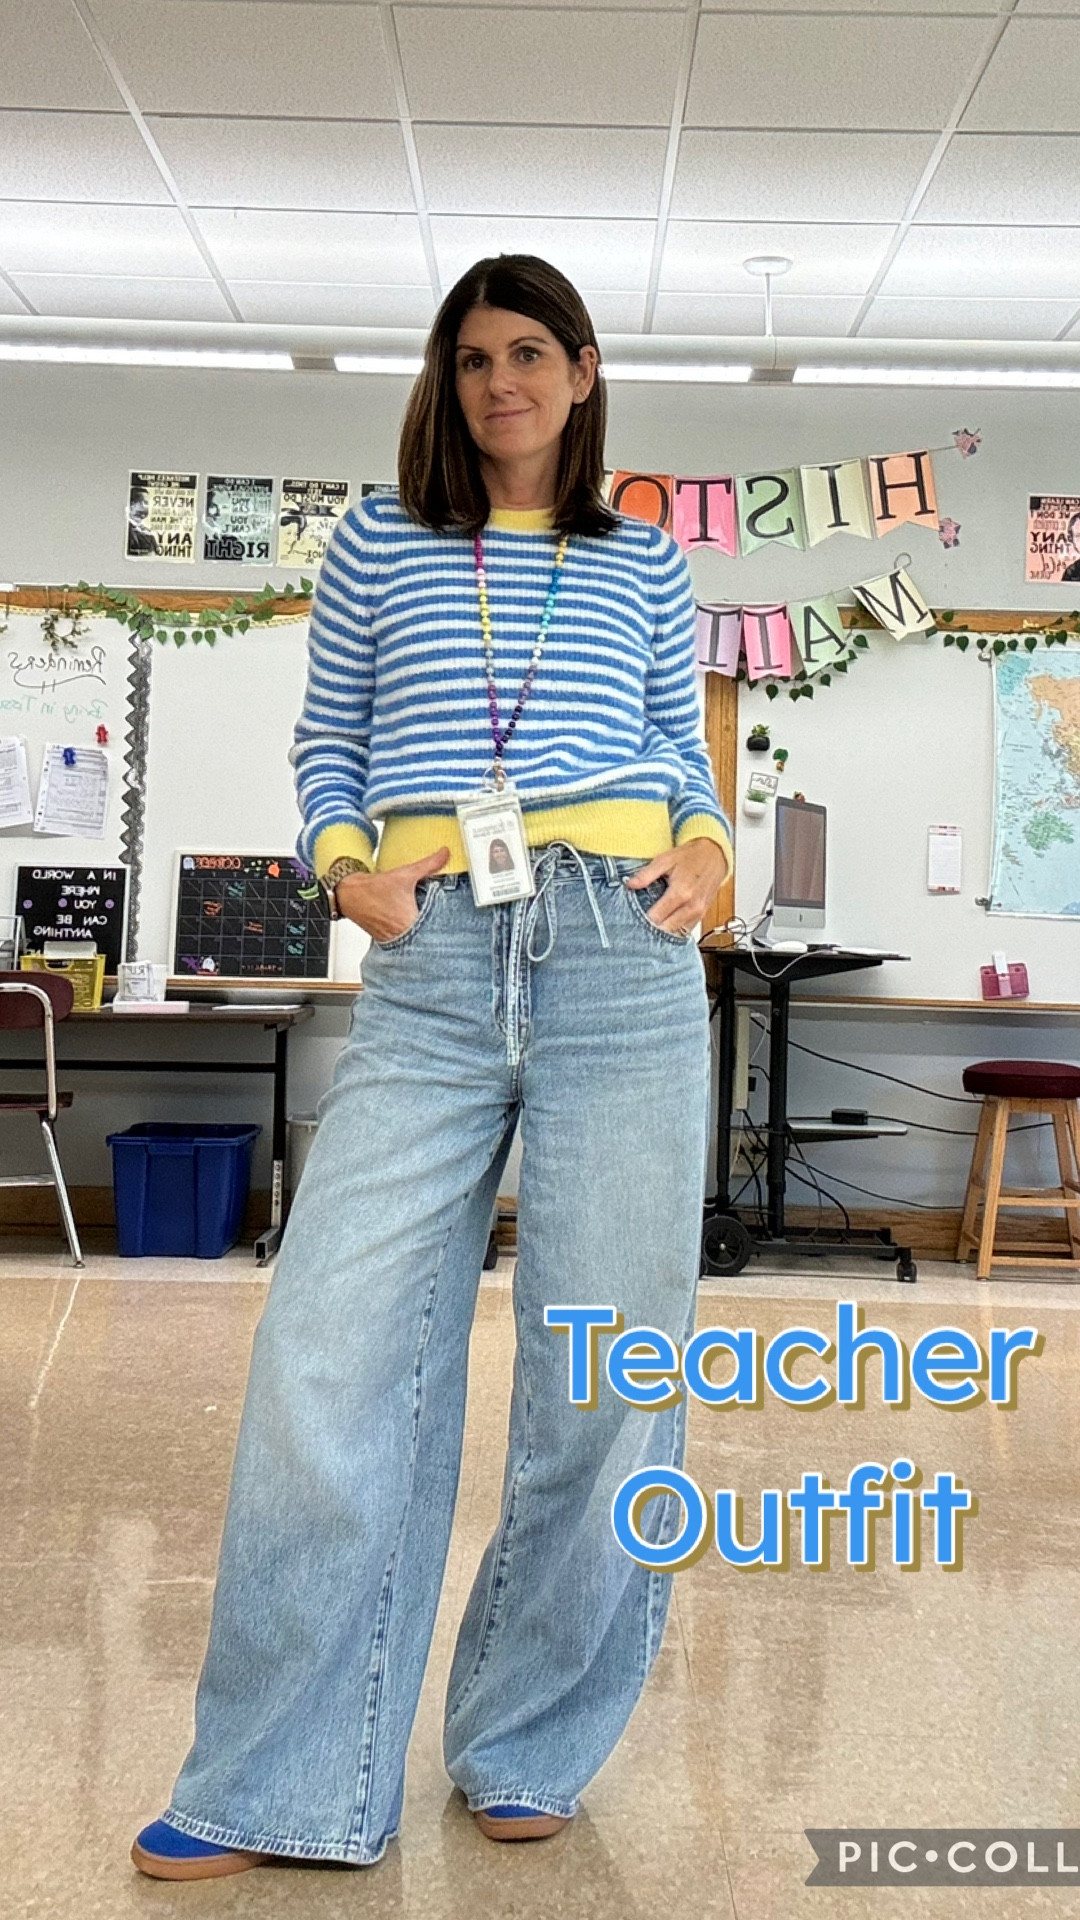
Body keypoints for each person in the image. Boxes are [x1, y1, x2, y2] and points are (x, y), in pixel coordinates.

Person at [131, 253, 733, 1881]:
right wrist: (340, 866)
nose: (498, 382)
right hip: (437, 963)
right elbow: (329, 737)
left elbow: (680, 747)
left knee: (604, 1385)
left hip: (623, 961)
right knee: (328, 1363)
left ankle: (528, 1737)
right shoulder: (380, 542)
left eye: (529, 352)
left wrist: (708, 842)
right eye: (471, 358)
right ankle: (275, 1776)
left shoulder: (645, 562)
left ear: (586, 373)